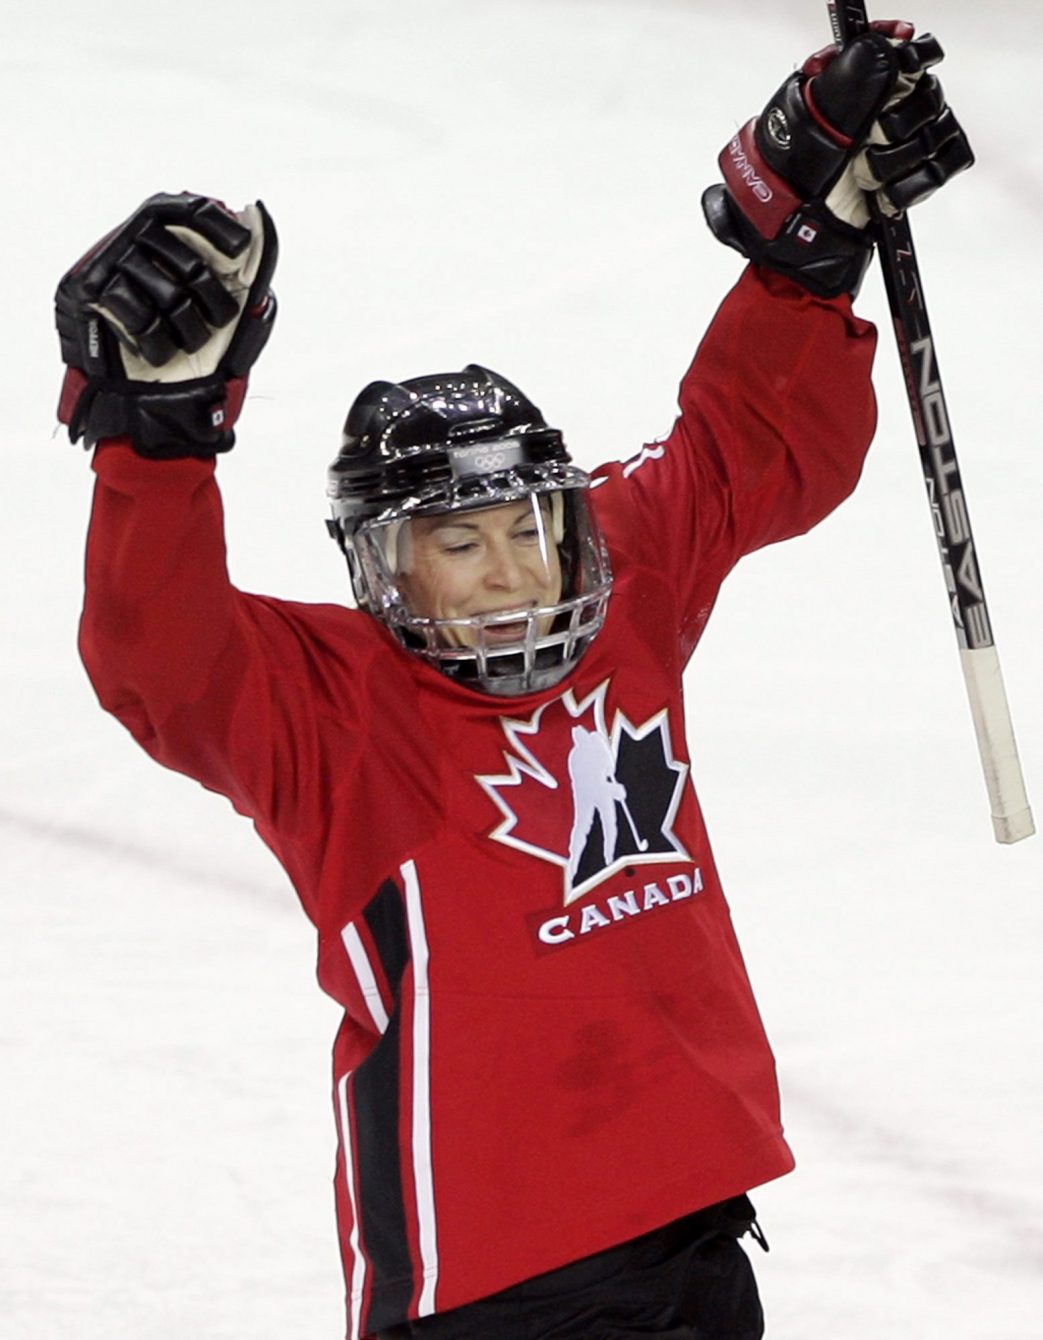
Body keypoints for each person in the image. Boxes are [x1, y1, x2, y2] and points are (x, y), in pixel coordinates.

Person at [55, 19, 972, 1340]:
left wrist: (808, 242)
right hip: (490, 1283)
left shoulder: (621, 597)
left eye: (529, 530)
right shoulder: (330, 712)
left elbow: (751, 449)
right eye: (457, 545)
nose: (507, 573)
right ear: (384, 570)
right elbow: (159, 657)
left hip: (697, 1239)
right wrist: (155, 444)